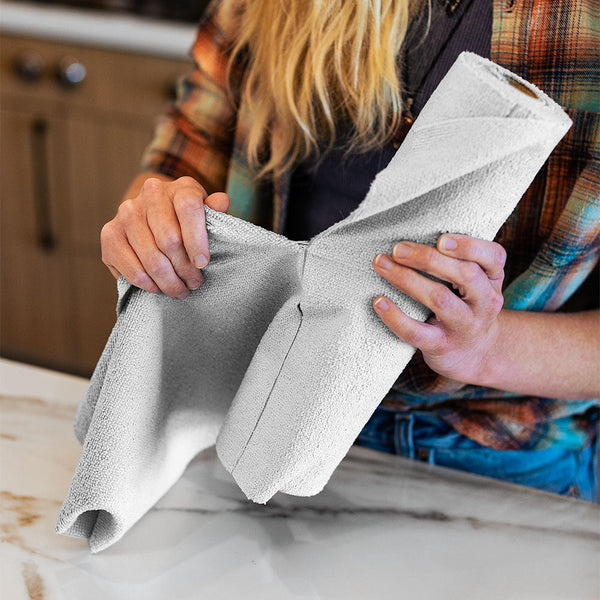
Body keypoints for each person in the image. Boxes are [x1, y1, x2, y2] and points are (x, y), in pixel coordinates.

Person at [99, 0, 600, 501]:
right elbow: (187, 147)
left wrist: (487, 348)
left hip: (496, 447)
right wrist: (153, 221)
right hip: (257, 401)